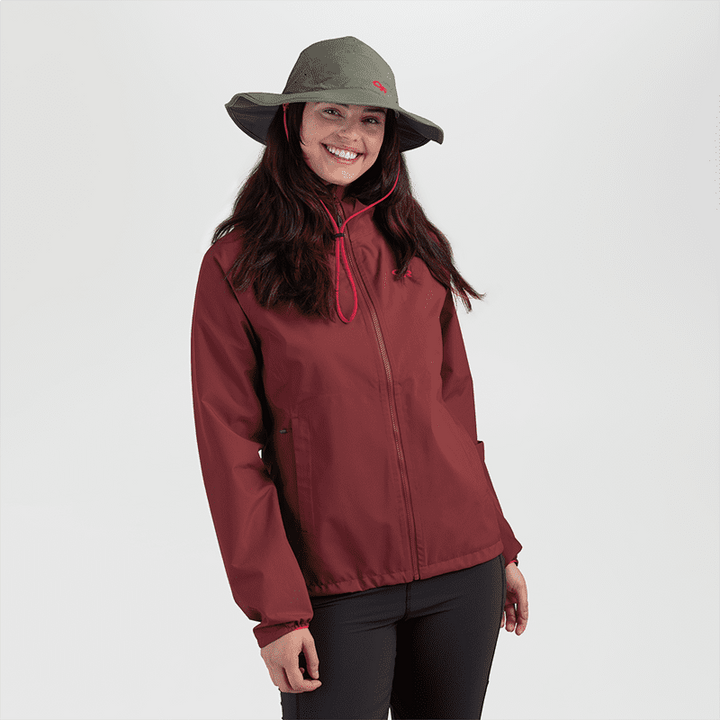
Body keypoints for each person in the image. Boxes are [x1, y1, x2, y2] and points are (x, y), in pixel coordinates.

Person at [191, 36, 529, 720]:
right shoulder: (237, 266)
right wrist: (277, 612)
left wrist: (500, 544)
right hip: (335, 588)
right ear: (293, 122)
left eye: (370, 120)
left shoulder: (417, 249)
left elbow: (454, 413)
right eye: (332, 113)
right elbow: (229, 450)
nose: (352, 135)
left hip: (464, 572)